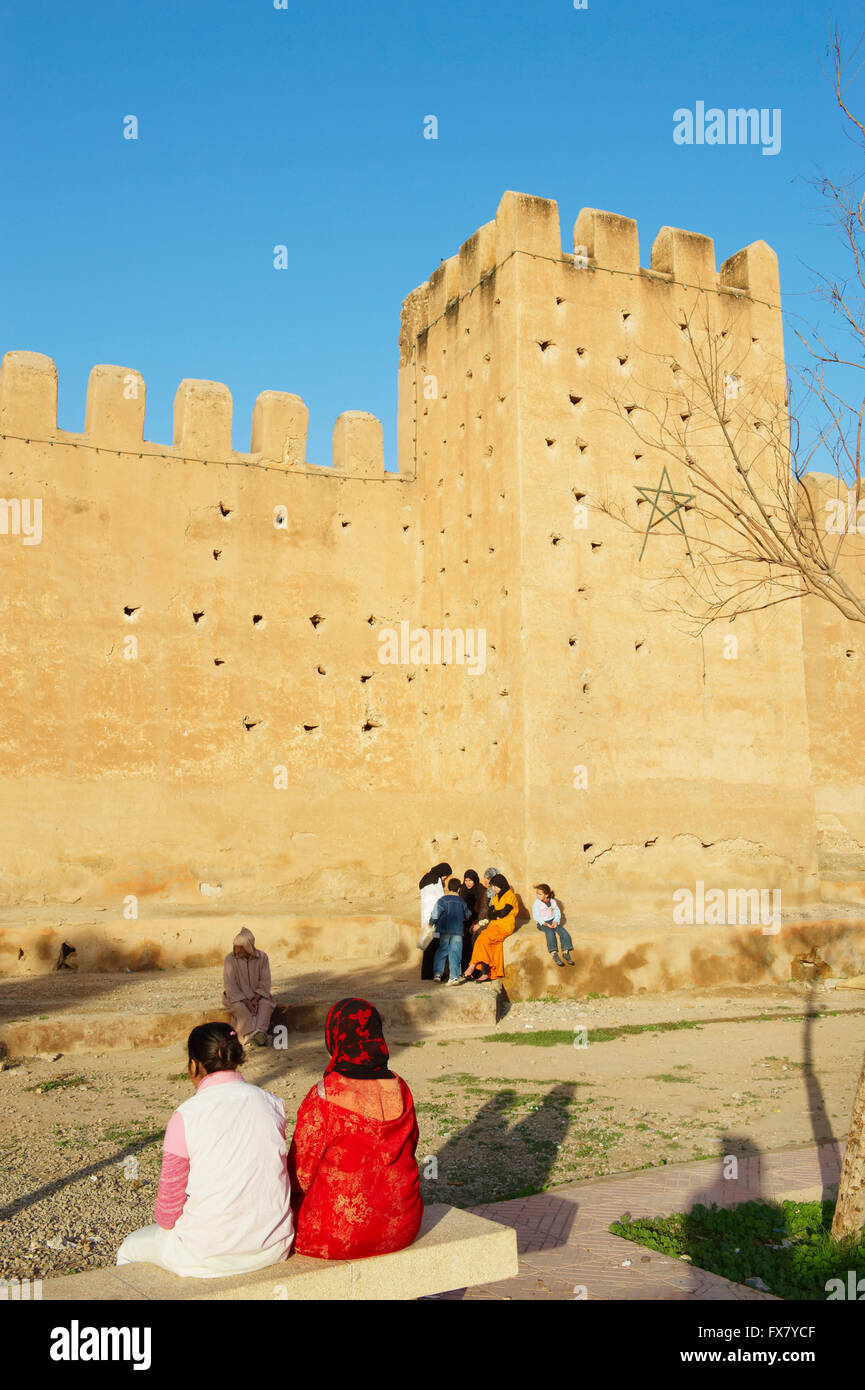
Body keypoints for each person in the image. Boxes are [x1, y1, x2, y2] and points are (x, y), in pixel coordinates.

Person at [116, 1022, 294, 1277]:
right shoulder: (272, 1104)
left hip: (207, 1255)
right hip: (274, 1245)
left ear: (194, 1065)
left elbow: (167, 1214)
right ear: (236, 1058)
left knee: (129, 1249)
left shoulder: (186, 1116)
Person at [288, 998, 423, 1260]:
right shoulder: (401, 1088)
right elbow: (412, 1145)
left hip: (339, 1236)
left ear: (334, 1038)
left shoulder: (323, 1097)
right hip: (403, 1226)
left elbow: (299, 1177)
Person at [458, 872, 519, 983]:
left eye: (495, 886)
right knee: (482, 939)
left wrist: (495, 912)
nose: (494, 889)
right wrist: (495, 912)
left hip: (505, 927)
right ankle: (483, 972)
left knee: (483, 938)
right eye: (493, 887)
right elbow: (491, 913)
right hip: (494, 925)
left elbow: (503, 913)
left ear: (501, 885)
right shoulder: (496, 897)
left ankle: (472, 967)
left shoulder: (510, 896)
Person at [223, 927, 275, 1046]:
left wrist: (256, 999)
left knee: (266, 1005)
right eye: (235, 947)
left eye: (240, 948)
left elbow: (265, 981)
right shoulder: (230, 959)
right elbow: (230, 984)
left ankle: (258, 1033)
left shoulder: (262, 958)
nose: (236, 950)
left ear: (248, 947)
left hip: (258, 996)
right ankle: (252, 1036)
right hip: (237, 997)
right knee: (241, 1009)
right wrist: (246, 1002)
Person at [431, 877, 472, 984]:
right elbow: (468, 915)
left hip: (443, 930)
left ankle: (437, 974)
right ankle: (454, 977)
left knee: (442, 950)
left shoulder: (442, 900)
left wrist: (431, 923)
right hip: (458, 931)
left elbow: (435, 914)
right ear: (459, 889)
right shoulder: (462, 901)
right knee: (456, 952)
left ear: (448, 888)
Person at [418, 862, 452, 981]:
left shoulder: (425, 879)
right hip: (434, 920)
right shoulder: (436, 881)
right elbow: (440, 902)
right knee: (437, 947)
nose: (445, 879)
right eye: (446, 876)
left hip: (426, 919)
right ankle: (437, 974)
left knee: (429, 947)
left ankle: (426, 975)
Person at [532, 882, 574, 966]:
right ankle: (554, 952)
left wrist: (555, 921)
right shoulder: (537, 903)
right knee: (550, 932)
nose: (538, 896)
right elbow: (536, 916)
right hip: (542, 923)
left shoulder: (552, 901)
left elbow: (557, 912)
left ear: (546, 895)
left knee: (563, 931)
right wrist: (545, 924)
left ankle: (565, 952)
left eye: (540, 894)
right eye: (537, 894)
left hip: (552, 920)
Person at [459, 869, 484, 972]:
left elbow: (483, 909)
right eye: (466, 880)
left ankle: (475, 971)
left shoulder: (481, 891)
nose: (468, 883)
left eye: (470, 880)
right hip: (463, 922)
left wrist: (477, 922)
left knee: (473, 942)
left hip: (476, 922)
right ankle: (464, 970)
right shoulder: (462, 890)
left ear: (475, 880)